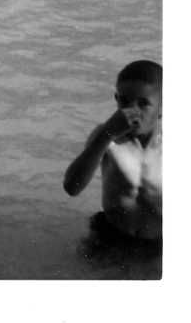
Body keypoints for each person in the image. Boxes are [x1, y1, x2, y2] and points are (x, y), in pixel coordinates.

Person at [62, 60, 162, 247]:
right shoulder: (107, 138)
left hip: (157, 241)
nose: (132, 111)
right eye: (125, 102)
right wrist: (106, 135)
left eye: (143, 104)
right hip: (110, 233)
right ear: (116, 99)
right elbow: (71, 188)